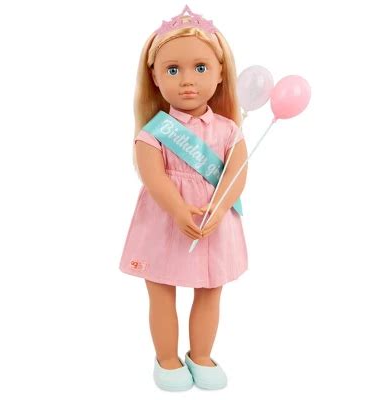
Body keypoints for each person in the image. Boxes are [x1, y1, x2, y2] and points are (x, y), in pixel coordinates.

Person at [119, 5, 249, 391]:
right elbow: (153, 176)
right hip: (164, 220)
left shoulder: (229, 130)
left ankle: (201, 355)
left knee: (210, 289)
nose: (187, 80)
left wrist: (220, 208)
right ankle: (167, 358)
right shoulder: (154, 132)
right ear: (155, 77)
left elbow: (236, 175)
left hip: (212, 220)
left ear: (221, 72)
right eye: (173, 70)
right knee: (161, 291)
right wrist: (177, 209)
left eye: (200, 68)